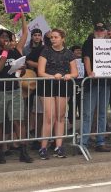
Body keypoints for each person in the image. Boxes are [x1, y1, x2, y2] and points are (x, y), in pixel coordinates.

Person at [0, 27, 33, 163]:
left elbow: (21, 71)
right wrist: (5, 52)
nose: (6, 38)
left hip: (15, 90)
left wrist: (23, 69)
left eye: (7, 36)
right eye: (2, 36)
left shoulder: (15, 52)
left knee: (19, 121)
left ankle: (23, 151)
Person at [37, 29, 78, 158]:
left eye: (56, 37)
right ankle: (43, 147)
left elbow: (75, 73)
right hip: (48, 85)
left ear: (62, 39)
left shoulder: (69, 53)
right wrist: (52, 76)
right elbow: (40, 72)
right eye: (51, 37)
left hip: (63, 86)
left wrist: (67, 76)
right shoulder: (45, 51)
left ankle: (58, 146)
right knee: (49, 117)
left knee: (60, 117)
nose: (53, 39)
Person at [80, 23, 111, 152]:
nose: (99, 32)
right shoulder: (88, 42)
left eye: (102, 30)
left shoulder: (110, 44)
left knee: (103, 113)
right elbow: (86, 58)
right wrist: (89, 73)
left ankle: (100, 141)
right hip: (92, 82)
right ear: (94, 31)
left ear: (105, 32)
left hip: (106, 82)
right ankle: (83, 143)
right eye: (97, 30)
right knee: (88, 113)